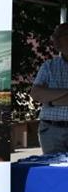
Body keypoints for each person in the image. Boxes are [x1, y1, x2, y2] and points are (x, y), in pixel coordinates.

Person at [29, 22, 68, 153]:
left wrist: (51, 100)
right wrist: (65, 92)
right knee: (52, 166)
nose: (55, 39)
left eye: (60, 35)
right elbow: (36, 93)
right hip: (51, 132)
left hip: (51, 130)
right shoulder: (49, 66)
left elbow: (42, 94)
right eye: (55, 35)